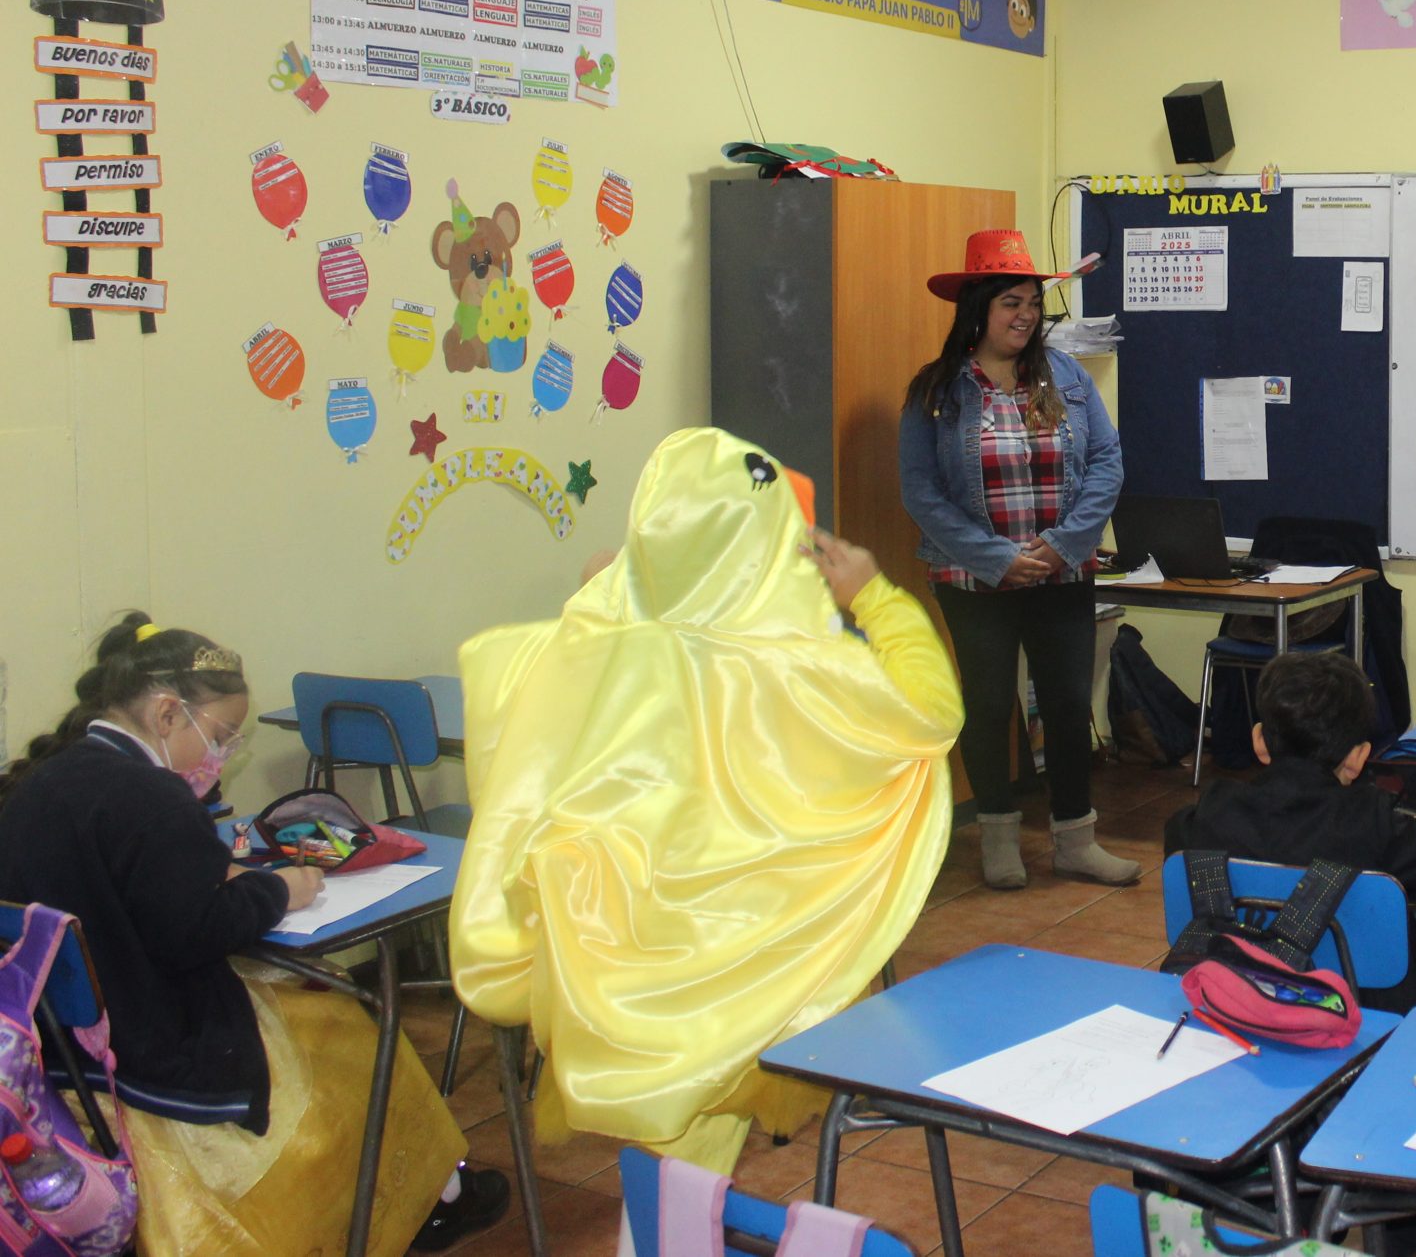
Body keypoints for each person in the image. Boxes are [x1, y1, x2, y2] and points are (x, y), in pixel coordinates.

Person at [453, 427, 964, 1170]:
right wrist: (874, 597)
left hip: (624, 970)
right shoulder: (802, 667)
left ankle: (662, 1216)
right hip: (746, 967)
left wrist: (619, 581)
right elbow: (931, 710)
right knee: (691, 1167)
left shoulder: (600, 643)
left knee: (666, 1164)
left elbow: (539, 714)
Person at [0, 617, 509, 1254]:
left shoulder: (42, 778)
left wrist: (210, 872)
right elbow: (196, 933)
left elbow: (123, 881)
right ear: (166, 713)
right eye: (219, 737)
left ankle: (434, 1193)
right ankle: (428, 1200)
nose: (222, 757)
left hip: (57, 1042)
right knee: (349, 1020)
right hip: (151, 1045)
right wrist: (277, 891)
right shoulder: (152, 798)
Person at [899, 228, 1137, 891]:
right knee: (987, 705)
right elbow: (920, 490)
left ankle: (1076, 841)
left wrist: (1062, 545)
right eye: (1011, 302)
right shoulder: (937, 390)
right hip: (973, 577)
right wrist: (997, 557)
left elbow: (1107, 462)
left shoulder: (1067, 376)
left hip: (1062, 571)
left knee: (1066, 703)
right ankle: (999, 838)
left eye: (1033, 302)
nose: (1026, 315)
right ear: (978, 308)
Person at [1164, 652, 1416, 1009]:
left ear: (1259, 741)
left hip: (1232, 1002)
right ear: (1357, 757)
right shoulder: (1370, 823)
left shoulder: (1204, 817)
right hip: (1361, 1014)